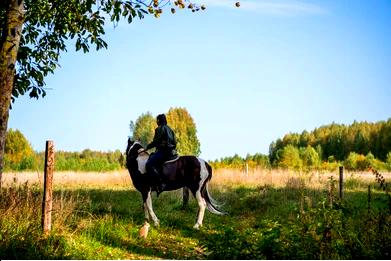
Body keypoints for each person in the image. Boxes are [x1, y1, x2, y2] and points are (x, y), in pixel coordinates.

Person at [145, 113, 177, 194]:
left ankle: (160, 183)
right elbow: (175, 142)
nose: (156, 121)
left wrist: (147, 147)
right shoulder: (170, 129)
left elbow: (156, 142)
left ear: (159, 120)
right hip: (172, 152)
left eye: (157, 120)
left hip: (163, 152)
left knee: (148, 164)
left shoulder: (159, 129)